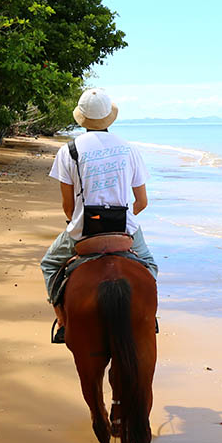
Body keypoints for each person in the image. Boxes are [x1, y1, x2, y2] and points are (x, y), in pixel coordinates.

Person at [41, 87, 158, 343]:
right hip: (123, 229)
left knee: (49, 264)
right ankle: (150, 318)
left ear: (81, 118)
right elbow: (142, 201)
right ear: (109, 117)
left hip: (84, 229)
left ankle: (62, 320)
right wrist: (125, 219)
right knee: (149, 266)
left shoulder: (69, 151)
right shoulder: (129, 149)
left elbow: (68, 207)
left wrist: (78, 221)